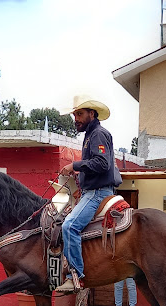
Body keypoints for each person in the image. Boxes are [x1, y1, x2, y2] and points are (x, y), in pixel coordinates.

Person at [55, 95, 122, 293]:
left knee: (69, 226)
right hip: (90, 192)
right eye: (75, 114)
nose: (76, 118)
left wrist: (74, 165)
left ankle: (75, 277)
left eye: (80, 114)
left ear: (91, 114)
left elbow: (102, 164)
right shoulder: (90, 136)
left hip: (97, 194)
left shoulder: (98, 134)